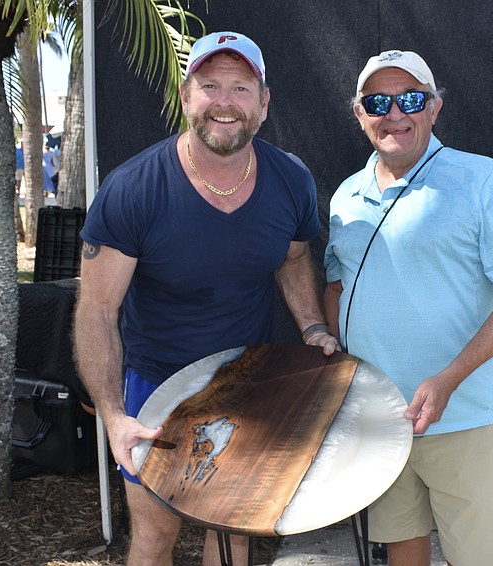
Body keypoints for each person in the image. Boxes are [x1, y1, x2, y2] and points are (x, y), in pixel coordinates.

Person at [74, 31, 338, 566]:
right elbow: (96, 311)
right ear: (186, 95)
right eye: (209, 84)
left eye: (241, 87)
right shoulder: (132, 190)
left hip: (247, 385)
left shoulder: (290, 180)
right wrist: (114, 415)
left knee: (231, 533)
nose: (225, 101)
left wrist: (312, 327)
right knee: (154, 538)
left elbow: (291, 259)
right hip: (157, 390)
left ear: (263, 103)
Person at [323, 50, 493, 566]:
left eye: (411, 99)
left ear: (435, 108)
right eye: (379, 101)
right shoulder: (345, 198)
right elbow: (337, 286)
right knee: (401, 548)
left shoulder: (479, 178)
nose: (395, 113)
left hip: (466, 417)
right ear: (359, 114)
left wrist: (448, 378)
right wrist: (337, 358)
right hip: (381, 418)